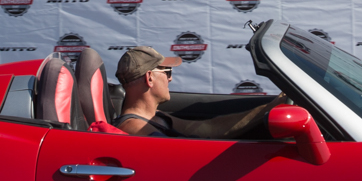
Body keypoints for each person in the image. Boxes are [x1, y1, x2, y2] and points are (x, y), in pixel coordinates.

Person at [113, 46, 285, 139]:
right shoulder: (135, 129)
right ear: (150, 78)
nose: (170, 79)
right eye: (167, 72)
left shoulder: (155, 118)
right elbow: (179, 160)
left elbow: (210, 128)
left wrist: (269, 108)